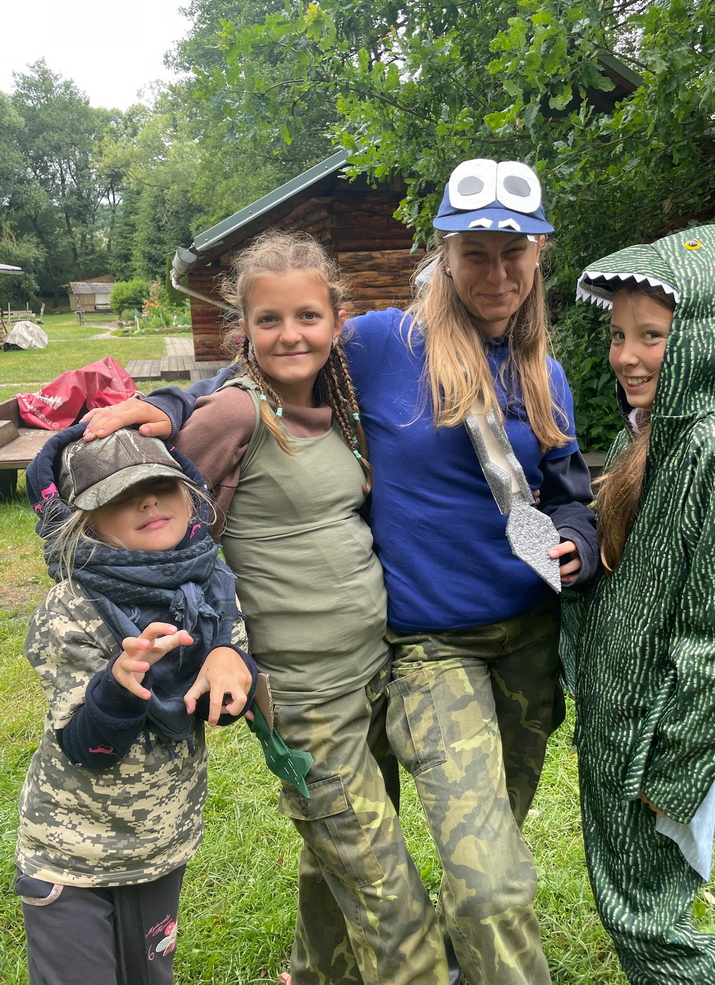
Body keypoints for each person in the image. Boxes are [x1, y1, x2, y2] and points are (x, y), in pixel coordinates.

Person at [84, 160, 598, 985]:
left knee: (484, 842)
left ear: (540, 256)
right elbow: (269, 361)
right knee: (484, 882)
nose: (497, 274)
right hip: (432, 645)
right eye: (475, 252)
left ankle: (318, 967)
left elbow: (568, 490)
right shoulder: (383, 343)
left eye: (516, 253)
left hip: (528, 641)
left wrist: (573, 532)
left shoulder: (546, 373)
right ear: (443, 253)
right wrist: (178, 405)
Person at [92, 230, 450, 985]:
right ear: (244, 330)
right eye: (269, 320)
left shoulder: (338, 400)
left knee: (341, 855)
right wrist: (217, 640)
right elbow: (161, 529)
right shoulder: (236, 414)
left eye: (308, 317)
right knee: (390, 899)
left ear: (336, 322)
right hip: (303, 693)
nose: (291, 335)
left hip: (372, 675)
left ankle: (314, 974)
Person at [567, 223, 715, 984]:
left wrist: (675, 771)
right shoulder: (652, 436)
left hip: (654, 744)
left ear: (709, 336)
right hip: (616, 725)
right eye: (618, 335)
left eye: (651, 336)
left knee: (650, 922)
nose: (626, 356)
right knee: (627, 906)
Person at [16, 425, 259, 985]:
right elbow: (87, 746)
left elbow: (221, 702)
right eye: (122, 495)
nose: (149, 502)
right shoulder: (70, 607)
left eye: (161, 486)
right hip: (73, 857)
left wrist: (230, 658)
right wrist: (119, 685)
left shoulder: (211, 583)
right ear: (83, 520)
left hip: (160, 846)